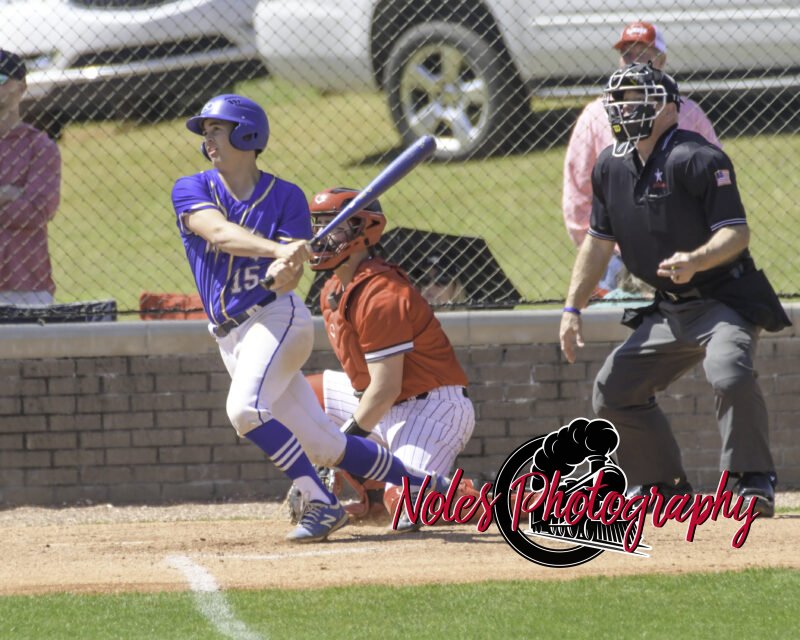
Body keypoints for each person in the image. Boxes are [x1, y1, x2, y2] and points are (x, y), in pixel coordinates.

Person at [170, 94, 445, 543]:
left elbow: (290, 275)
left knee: (244, 410)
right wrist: (276, 251)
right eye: (206, 133)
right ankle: (426, 485)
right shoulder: (192, 187)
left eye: (217, 130)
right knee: (324, 444)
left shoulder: (285, 197)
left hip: (275, 321)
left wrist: (285, 269)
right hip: (231, 337)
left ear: (247, 134)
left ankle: (319, 502)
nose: (208, 140)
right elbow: (217, 232)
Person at [559, 63, 790, 517]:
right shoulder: (610, 165)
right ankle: (662, 483)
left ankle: (751, 480)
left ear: (668, 107)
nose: (625, 107)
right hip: (669, 309)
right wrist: (572, 307)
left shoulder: (697, 157)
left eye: (637, 97)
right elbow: (598, 243)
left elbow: (737, 234)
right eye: (620, 98)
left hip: (725, 298)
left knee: (729, 372)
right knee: (613, 389)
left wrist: (696, 259)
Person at [300, 188, 476, 531]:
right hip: (383, 407)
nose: (320, 236)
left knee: (410, 507)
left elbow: (385, 387)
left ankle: (512, 502)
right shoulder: (332, 290)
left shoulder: (382, 293)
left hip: (429, 408)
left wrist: (339, 449)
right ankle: (375, 499)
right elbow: (371, 392)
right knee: (295, 397)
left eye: (331, 226)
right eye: (317, 225)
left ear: (362, 231)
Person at [562, 21, 719, 295]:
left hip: (682, 253)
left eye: (644, 55)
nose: (634, 63)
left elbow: (717, 184)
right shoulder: (595, 117)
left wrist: (698, 249)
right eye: (627, 55)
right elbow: (578, 196)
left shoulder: (689, 115)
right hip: (617, 257)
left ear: (662, 61)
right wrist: (602, 252)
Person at [0, 50, 61, 305]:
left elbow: (37, 212)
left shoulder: (39, 147)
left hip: (26, 285)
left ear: (22, 87)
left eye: (1, 78)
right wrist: (10, 194)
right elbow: (25, 209)